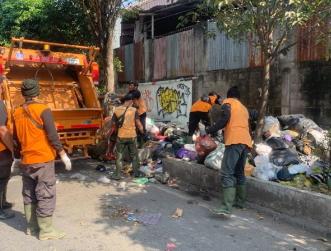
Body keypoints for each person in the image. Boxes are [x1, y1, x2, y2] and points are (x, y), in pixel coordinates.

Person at [13, 79, 72, 240]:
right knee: (45, 193)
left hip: (26, 161)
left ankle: (32, 227)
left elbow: (15, 139)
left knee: (29, 193)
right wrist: (63, 155)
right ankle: (46, 231)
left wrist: (18, 157)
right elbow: (53, 136)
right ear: (37, 93)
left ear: (24, 94)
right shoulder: (43, 110)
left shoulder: (16, 112)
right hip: (43, 159)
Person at [204, 86, 252, 216]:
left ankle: (226, 207)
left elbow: (224, 119)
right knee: (239, 172)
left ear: (229, 95)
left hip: (234, 140)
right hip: (245, 141)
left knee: (226, 173)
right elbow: (248, 126)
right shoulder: (244, 108)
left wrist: (209, 130)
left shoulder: (228, 102)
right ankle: (240, 202)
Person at [111, 93, 144, 180]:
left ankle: (117, 175)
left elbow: (113, 124)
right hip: (132, 136)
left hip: (121, 136)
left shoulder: (117, 110)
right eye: (132, 101)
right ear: (129, 101)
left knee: (119, 156)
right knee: (134, 155)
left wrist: (116, 132)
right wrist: (143, 132)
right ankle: (136, 173)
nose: (133, 103)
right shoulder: (133, 110)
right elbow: (139, 124)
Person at [0, 79, 15, 220]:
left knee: (3, 178)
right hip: (1, 150)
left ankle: (3, 202)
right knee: (1, 177)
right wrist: (12, 150)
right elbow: (3, 130)